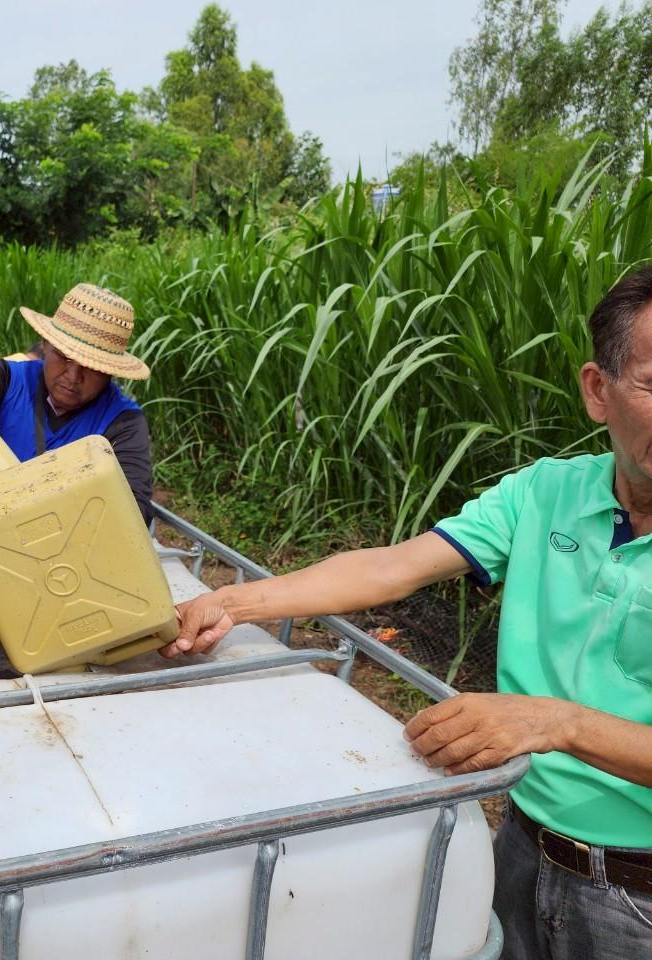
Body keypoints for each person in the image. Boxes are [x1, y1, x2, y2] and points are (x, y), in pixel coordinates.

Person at [167, 267, 652, 958]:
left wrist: (558, 722)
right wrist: (232, 601)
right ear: (597, 391)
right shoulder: (546, 493)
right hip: (519, 847)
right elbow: (391, 566)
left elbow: (557, 724)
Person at [0, 283, 155, 522]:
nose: (73, 377)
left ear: (111, 372)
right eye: (63, 357)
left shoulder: (124, 422)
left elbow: (133, 513)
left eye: (92, 367)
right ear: (45, 345)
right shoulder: (7, 379)